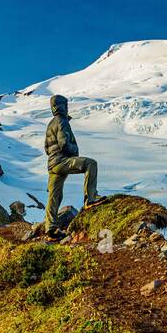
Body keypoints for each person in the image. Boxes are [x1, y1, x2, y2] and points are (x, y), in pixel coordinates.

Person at [43, 95, 100, 235]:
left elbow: (46, 148)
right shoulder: (62, 121)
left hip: (52, 164)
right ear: (62, 106)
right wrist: (75, 152)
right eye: (66, 106)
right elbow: (64, 144)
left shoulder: (51, 123)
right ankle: (90, 199)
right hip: (62, 161)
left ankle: (50, 229)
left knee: (54, 196)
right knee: (91, 164)